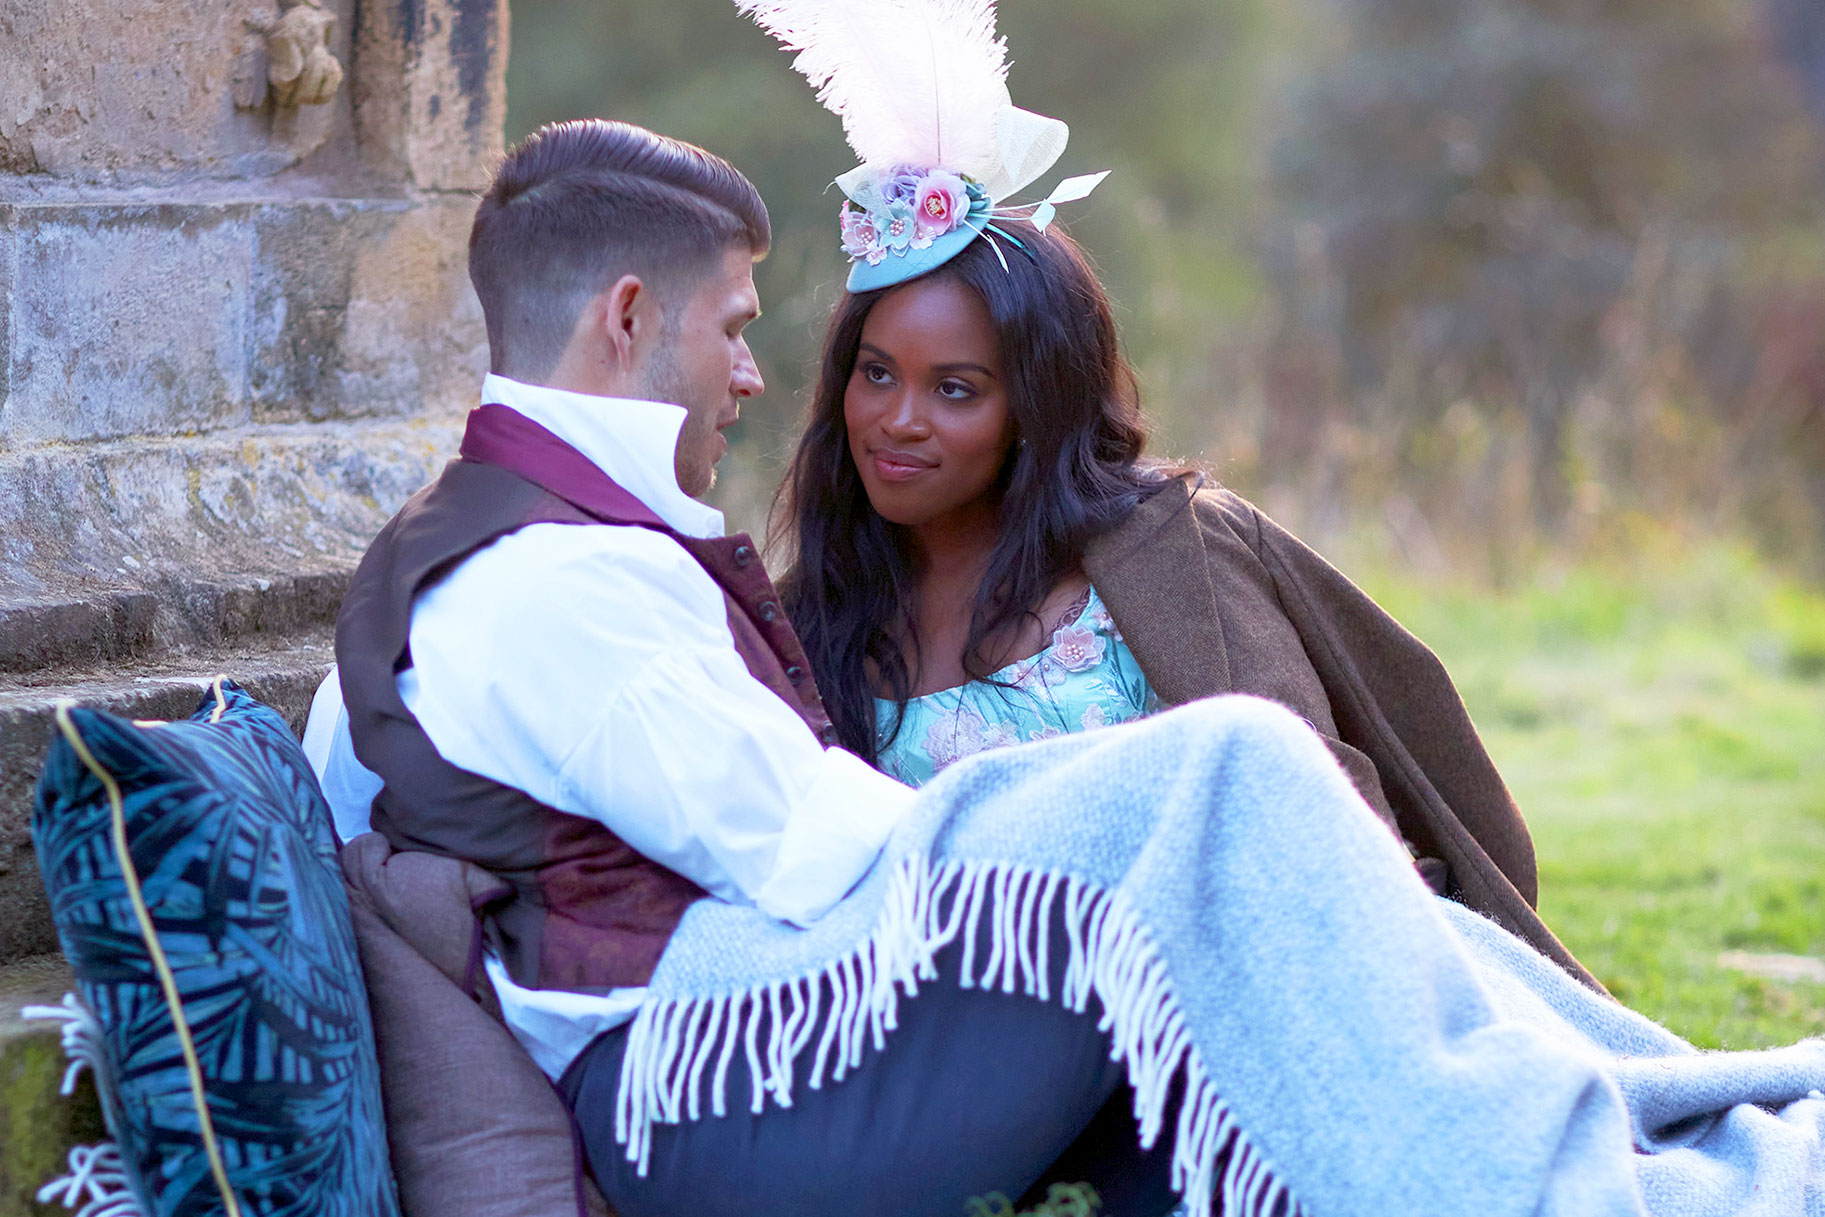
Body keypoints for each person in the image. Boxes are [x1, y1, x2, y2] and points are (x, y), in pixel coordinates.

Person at [305, 29, 1825, 1217]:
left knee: (1237, 807)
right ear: (630, 319)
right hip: (720, 1097)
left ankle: (1652, 1121)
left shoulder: (502, 550)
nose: (757, 379)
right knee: (1221, 786)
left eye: (954, 388)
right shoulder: (558, 582)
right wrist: (1121, 821)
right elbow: (823, 855)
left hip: (744, 1050)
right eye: (739, 330)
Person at [770, 214, 1594, 984]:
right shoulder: (807, 622)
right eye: (875, 375)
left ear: (1032, 406)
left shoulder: (1168, 556)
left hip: (1225, 992)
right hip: (975, 1034)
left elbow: (1308, 806)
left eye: (955, 389)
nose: (896, 420)